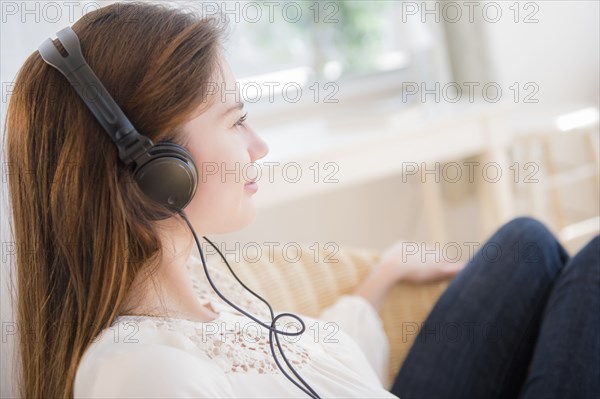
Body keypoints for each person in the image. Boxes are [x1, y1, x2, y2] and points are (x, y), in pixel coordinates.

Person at [4, 2, 598, 398]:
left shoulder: (205, 280)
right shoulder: (144, 373)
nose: (258, 146)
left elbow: (315, 356)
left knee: (527, 242)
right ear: (158, 173)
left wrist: (385, 274)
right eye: (235, 122)